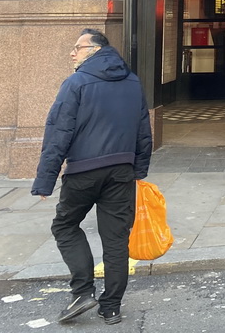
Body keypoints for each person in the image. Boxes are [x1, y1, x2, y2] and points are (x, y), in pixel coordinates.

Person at [32, 29, 152, 326]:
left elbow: (59, 132)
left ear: (95, 49)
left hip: (83, 171)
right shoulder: (132, 81)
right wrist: (139, 170)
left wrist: (45, 179)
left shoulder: (76, 82)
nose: (72, 53)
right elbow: (143, 131)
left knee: (65, 225)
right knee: (115, 239)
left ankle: (82, 292)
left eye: (78, 47)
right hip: (121, 171)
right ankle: (111, 308)